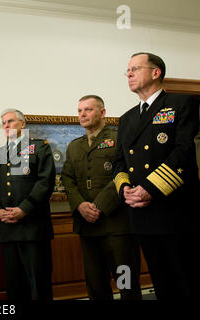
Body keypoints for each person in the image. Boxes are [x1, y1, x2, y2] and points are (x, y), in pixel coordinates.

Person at [114, 52, 200, 299]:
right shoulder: (127, 118)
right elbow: (119, 162)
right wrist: (126, 190)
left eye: (134, 69)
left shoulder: (182, 104)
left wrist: (148, 189)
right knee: (161, 282)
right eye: (127, 70)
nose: (128, 74)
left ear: (155, 72)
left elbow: (184, 151)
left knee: (186, 280)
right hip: (141, 213)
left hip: (175, 211)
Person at [61, 95, 141, 300]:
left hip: (117, 225)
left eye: (88, 109)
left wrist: (98, 206)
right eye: (79, 110)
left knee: (126, 282)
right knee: (95, 283)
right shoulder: (74, 146)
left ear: (102, 112)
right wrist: (80, 205)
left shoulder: (119, 138)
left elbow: (126, 174)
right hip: (88, 227)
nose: (82, 114)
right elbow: (67, 180)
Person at [0, 108, 55, 300]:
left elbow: (45, 182)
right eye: (4, 123)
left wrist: (24, 209)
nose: (6, 125)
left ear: (22, 124)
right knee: (14, 286)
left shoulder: (39, 148)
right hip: (7, 229)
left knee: (38, 284)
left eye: (11, 121)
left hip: (32, 227)